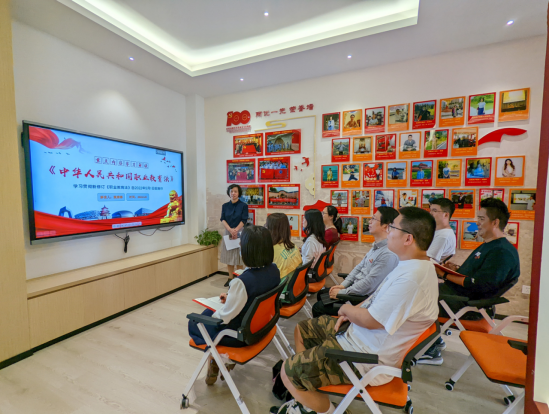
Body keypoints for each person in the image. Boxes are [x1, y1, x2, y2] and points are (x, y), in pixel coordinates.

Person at [271, 207, 438, 414]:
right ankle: (307, 390)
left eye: (393, 228)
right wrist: (351, 312)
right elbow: (374, 298)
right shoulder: (409, 266)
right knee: (302, 330)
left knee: (287, 371)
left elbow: (370, 320)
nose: (389, 232)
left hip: (363, 357)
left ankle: (324, 410)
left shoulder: (412, 279)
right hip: (356, 335)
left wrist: (346, 309)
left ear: (408, 239)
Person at [419, 198, 520, 366]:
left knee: (416, 298)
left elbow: (480, 285)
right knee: (418, 291)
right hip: (458, 296)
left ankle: (431, 350)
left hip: (468, 306)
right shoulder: (490, 246)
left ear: (495, 222)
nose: (477, 222)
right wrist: (456, 270)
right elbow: (476, 276)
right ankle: (433, 341)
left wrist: (444, 275)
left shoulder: (501, 252)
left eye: (481, 219)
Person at [188, 226, 280, 385]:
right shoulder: (274, 270)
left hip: (240, 336)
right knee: (209, 313)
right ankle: (220, 360)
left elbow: (224, 318)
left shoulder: (242, 282)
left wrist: (220, 309)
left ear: (247, 251)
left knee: (195, 321)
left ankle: (217, 358)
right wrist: (231, 298)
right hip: (262, 326)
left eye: (241, 244)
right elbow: (252, 298)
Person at [312, 207, 400, 317]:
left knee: (318, 307)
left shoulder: (388, 254)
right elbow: (359, 267)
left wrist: (343, 292)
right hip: (355, 289)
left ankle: (335, 327)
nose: (369, 221)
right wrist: (343, 285)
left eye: (373, 219)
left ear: (386, 226)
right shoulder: (377, 246)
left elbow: (369, 284)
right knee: (322, 293)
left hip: (361, 298)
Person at [220, 184, 249, 287]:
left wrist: (236, 230)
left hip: (240, 232)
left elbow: (244, 220)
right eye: (231, 191)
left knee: (239, 256)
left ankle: (239, 278)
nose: (233, 193)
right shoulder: (225, 206)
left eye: (235, 191)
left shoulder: (243, 205)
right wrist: (230, 230)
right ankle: (230, 278)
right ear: (229, 193)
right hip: (228, 232)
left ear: (239, 193)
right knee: (229, 256)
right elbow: (223, 219)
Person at [266, 213, 302, 289]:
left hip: (281, 290)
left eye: (267, 226)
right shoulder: (293, 246)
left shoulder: (270, 250)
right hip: (295, 288)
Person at [427, 198, 456, 263]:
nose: (430, 213)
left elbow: (426, 261)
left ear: (446, 214)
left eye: (434, 211)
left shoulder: (443, 236)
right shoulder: (438, 232)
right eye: (430, 210)